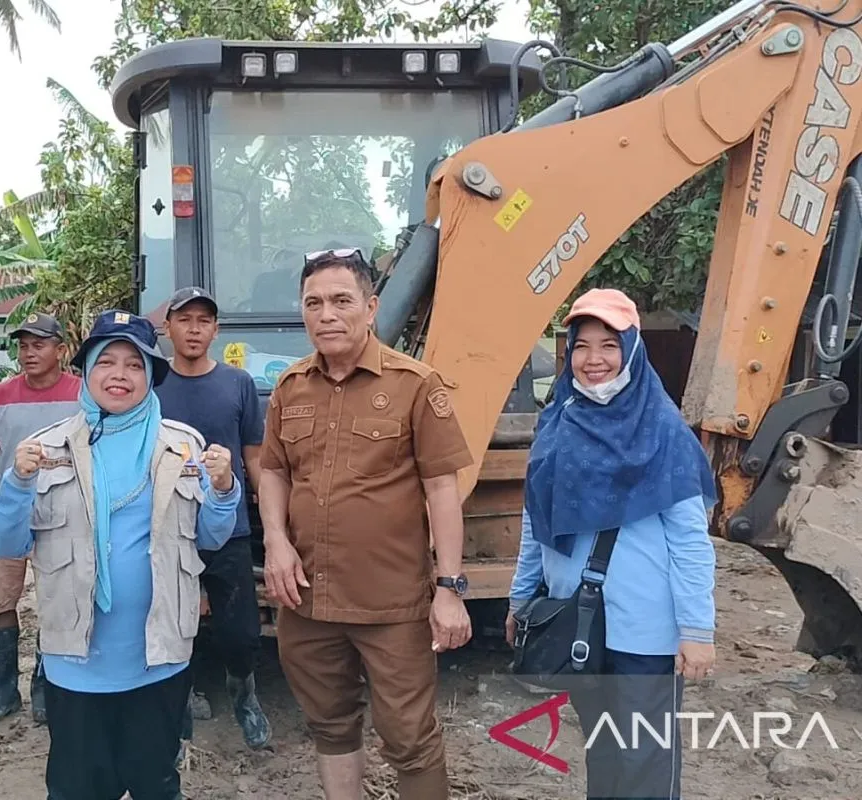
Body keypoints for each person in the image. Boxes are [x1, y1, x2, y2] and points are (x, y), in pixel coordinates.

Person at [0, 308, 242, 800]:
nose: (119, 375)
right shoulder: (45, 448)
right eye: (106, 361)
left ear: (151, 376)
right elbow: (5, 544)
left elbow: (210, 537)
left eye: (135, 364)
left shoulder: (184, 446)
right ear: (86, 370)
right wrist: (16, 483)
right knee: (77, 789)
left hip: (159, 660)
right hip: (76, 663)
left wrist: (225, 489)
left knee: (156, 785)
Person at [258, 249, 475, 799]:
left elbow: (442, 489)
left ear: (371, 307)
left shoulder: (415, 385)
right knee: (329, 725)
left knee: (409, 737)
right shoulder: (290, 387)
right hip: (307, 600)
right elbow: (275, 471)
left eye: (341, 301)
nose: (326, 314)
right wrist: (276, 541)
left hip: (391, 605)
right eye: (313, 303)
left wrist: (449, 588)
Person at [506, 288, 718, 800]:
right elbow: (537, 521)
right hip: (576, 623)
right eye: (581, 345)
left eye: (609, 345)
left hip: (644, 631)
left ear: (632, 350)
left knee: (645, 759)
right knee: (602, 750)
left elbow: (690, 540)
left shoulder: (663, 431)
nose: (593, 359)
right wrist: (520, 597)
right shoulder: (558, 422)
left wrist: (696, 629)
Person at [153, 286, 271, 750]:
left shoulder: (238, 383)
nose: (194, 329)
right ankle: (180, 702)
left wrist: (271, 519)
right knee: (172, 623)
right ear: (168, 328)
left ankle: (245, 696)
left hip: (228, 528)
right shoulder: (152, 384)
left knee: (240, 631)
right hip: (167, 528)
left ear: (216, 330)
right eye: (185, 320)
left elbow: (254, 456)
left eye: (204, 321)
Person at [0, 312, 81, 725]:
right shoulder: (1, 396)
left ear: (61, 351)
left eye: (39, 345)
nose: (29, 353)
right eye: (23, 346)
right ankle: (3, 692)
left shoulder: (83, 395)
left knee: (56, 601)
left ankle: (46, 689)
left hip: (63, 515)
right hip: (5, 512)